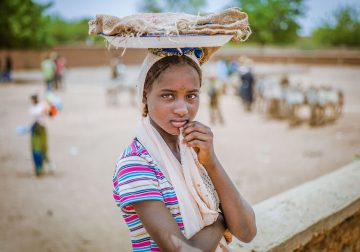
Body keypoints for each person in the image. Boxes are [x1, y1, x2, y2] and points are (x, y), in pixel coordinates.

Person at [90, 8, 255, 251]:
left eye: (191, 95)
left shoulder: (193, 152)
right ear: (145, 95)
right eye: (168, 95)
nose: (182, 109)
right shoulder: (136, 164)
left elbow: (247, 230)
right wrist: (220, 221)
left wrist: (211, 161)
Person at [29, 93, 50, 176]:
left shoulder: (41, 106)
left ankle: (41, 166)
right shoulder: (33, 109)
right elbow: (39, 113)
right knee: (36, 149)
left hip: (41, 128)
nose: (34, 99)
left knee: (43, 148)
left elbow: (50, 113)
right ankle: (39, 168)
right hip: (37, 128)